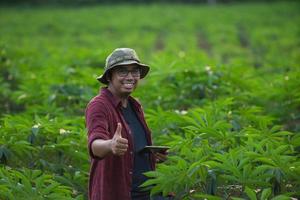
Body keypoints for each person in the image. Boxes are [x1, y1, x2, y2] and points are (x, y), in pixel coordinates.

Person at [85, 48, 167, 200]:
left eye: (134, 71)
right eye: (122, 72)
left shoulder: (134, 105)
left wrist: (149, 156)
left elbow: (132, 149)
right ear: (109, 76)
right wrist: (110, 145)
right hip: (119, 193)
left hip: (147, 192)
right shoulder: (99, 105)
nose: (130, 77)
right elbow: (95, 145)